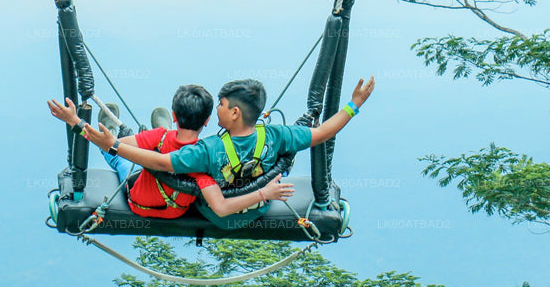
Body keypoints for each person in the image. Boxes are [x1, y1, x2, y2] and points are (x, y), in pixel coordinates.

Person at [84, 76, 375, 229]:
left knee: (171, 162)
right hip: (256, 210)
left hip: (220, 214)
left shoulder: (209, 149)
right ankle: (161, 134)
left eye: (221, 104)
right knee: (277, 162)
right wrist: (354, 105)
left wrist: (114, 145)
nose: (218, 109)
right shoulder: (276, 135)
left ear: (234, 113)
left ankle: (162, 135)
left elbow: (160, 163)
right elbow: (323, 132)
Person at [47, 85, 292, 219]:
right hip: (175, 210)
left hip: (138, 204)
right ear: (207, 121)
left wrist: (75, 121)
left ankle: (113, 129)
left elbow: (111, 144)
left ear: (175, 115)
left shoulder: (160, 137)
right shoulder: (203, 157)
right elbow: (221, 206)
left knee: (120, 157)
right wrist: (264, 192)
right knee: (142, 148)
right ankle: (145, 136)